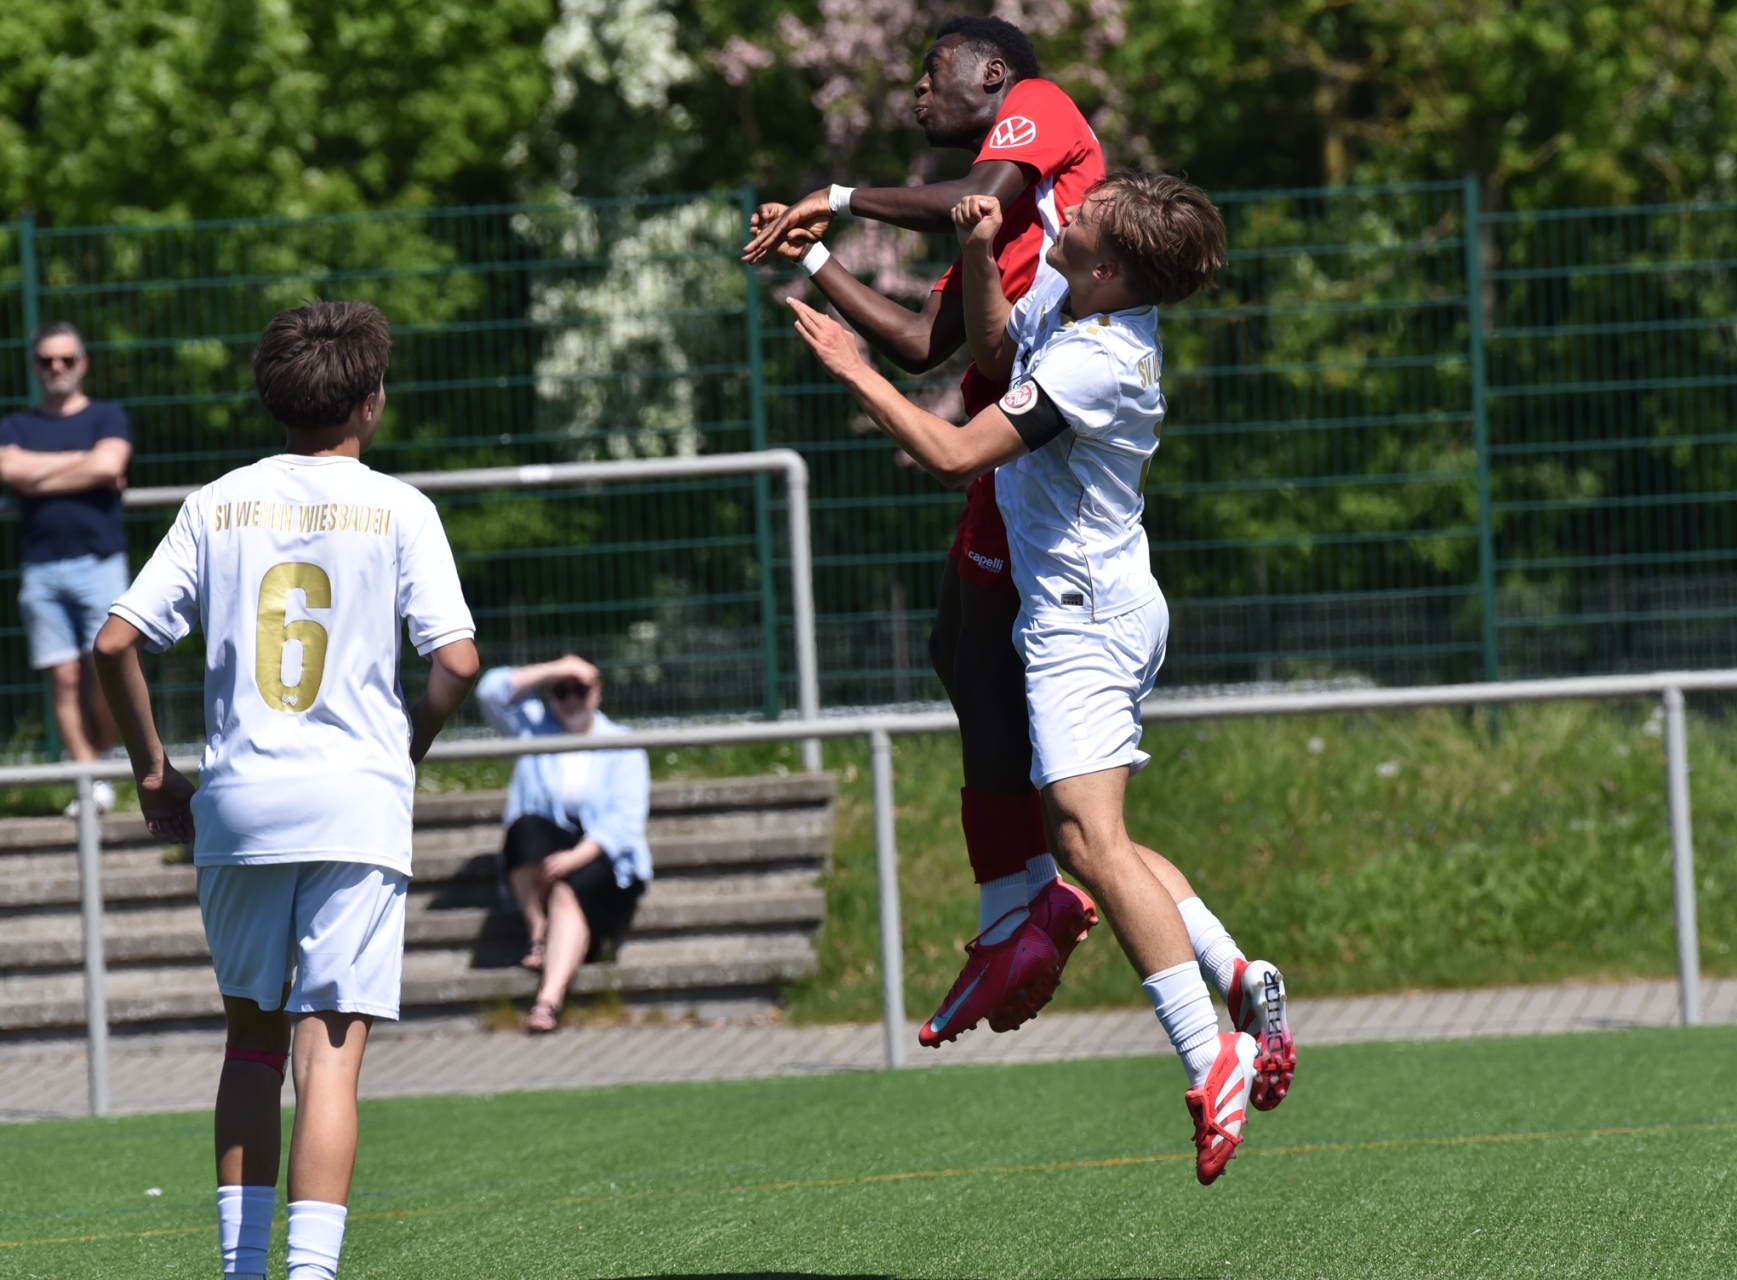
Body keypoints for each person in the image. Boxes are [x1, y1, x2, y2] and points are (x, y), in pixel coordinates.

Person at [788, 172, 1292, 1184]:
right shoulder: (1080, 286)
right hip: (1092, 607)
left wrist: (854, 368)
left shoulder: (1104, 360)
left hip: (1085, 622)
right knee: (1092, 836)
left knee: (1088, 842)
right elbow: (996, 352)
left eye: (1087, 222)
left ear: (1111, 272)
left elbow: (952, 452)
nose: (1067, 217)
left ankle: (1212, 1052)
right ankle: (1235, 973)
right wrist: (977, 254)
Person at [742, 14, 1111, 1043]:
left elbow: (966, 197)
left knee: (985, 664)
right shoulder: (1001, 227)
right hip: (1011, 437)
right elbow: (919, 341)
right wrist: (820, 259)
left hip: (1040, 441)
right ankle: (1030, 899)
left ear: (993, 74)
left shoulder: (1037, 107)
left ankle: (1023, 907)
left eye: (930, 70)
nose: (916, 90)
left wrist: (839, 195)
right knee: (955, 647)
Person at [93, 301, 480, 1280]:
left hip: (241, 802)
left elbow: (115, 642)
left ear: (274, 397)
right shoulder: (401, 508)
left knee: (251, 1043)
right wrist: (405, 745)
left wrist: (153, 769)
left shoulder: (217, 503)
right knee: (330, 1051)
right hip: (356, 803)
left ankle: (244, 1271)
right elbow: (457, 662)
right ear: (371, 399)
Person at [474, 655, 652, 1034]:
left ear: (597, 693)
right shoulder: (536, 730)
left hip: (607, 859)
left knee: (568, 891)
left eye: (580, 690)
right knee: (523, 829)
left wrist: (574, 858)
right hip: (552, 849)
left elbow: (624, 823)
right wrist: (559, 667)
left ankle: (548, 1000)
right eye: (561, 691)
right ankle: (539, 933)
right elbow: (490, 692)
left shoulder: (623, 743)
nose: (571, 699)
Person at [0, 321, 132, 811]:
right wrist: (83, 464)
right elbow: (9, 470)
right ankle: (89, 780)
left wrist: (35, 474)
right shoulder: (15, 426)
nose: (57, 367)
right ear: (34, 366)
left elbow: (108, 464)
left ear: (83, 363)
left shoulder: (108, 415)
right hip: (40, 568)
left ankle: (103, 760)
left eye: (67, 359)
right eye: (46, 360)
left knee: (106, 670)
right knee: (63, 679)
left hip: (101, 562)